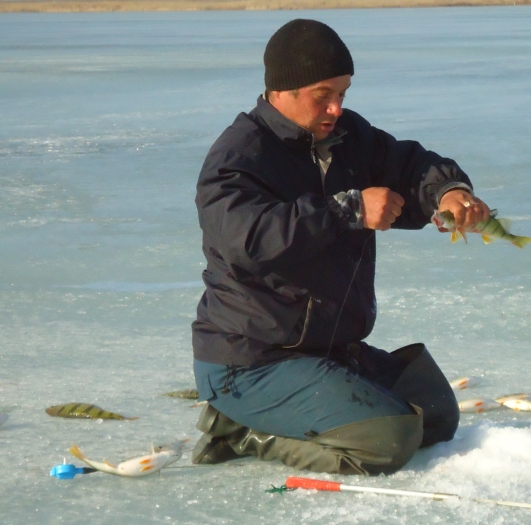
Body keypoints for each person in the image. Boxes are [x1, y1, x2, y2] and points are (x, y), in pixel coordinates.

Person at [191, 19, 491, 476]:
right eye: (322, 95)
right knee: (389, 443)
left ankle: (292, 410)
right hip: (250, 361)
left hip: (326, 348)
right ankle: (239, 429)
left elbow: (411, 166)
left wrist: (448, 192)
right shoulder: (238, 157)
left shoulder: (348, 138)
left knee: (436, 413)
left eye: (343, 94)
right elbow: (248, 238)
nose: (335, 108)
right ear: (283, 89)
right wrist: (349, 209)